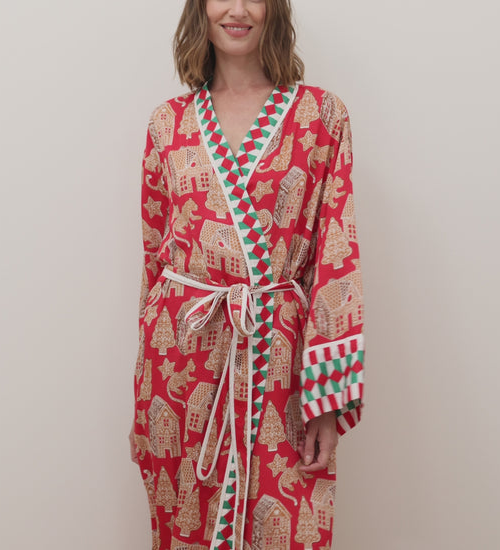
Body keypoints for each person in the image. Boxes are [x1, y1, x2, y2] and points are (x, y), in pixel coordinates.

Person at [130, 1, 365, 548]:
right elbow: (154, 259)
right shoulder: (168, 122)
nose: (237, 10)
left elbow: (337, 256)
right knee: (184, 527)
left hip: (280, 363)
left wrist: (327, 400)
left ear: (274, 9)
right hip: (180, 360)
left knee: (283, 521)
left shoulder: (322, 115)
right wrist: (144, 386)